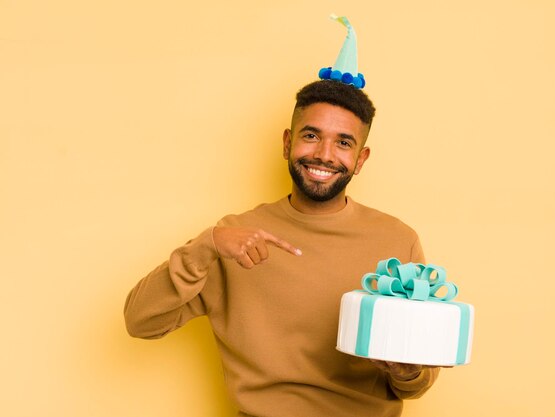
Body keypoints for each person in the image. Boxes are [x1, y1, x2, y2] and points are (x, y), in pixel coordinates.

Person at [124, 79, 442, 417]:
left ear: (360, 159)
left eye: (343, 142)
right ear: (288, 142)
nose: (323, 154)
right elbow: (140, 322)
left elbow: (417, 381)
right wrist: (208, 244)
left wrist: (407, 371)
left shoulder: (396, 240)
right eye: (311, 136)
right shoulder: (234, 239)